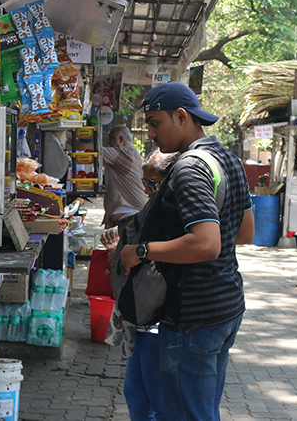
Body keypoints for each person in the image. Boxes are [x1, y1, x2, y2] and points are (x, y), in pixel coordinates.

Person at [120, 81, 254, 421]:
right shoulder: (229, 159)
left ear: (181, 116)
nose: (151, 133)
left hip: (193, 313)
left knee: (186, 414)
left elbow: (206, 244)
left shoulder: (189, 168)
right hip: (225, 305)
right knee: (202, 411)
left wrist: (142, 251)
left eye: (155, 123)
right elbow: (245, 233)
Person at [102, 148, 178, 421]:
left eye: (152, 183)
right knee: (136, 394)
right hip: (142, 317)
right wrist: (119, 254)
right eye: (144, 183)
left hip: (160, 318)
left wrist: (133, 255)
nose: (146, 190)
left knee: (158, 399)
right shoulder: (151, 210)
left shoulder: (178, 212)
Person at [101, 125, 149, 228]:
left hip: (133, 219)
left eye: (111, 138)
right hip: (132, 218)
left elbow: (91, 150)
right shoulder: (130, 152)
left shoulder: (124, 153)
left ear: (121, 139)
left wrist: (67, 137)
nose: (108, 142)